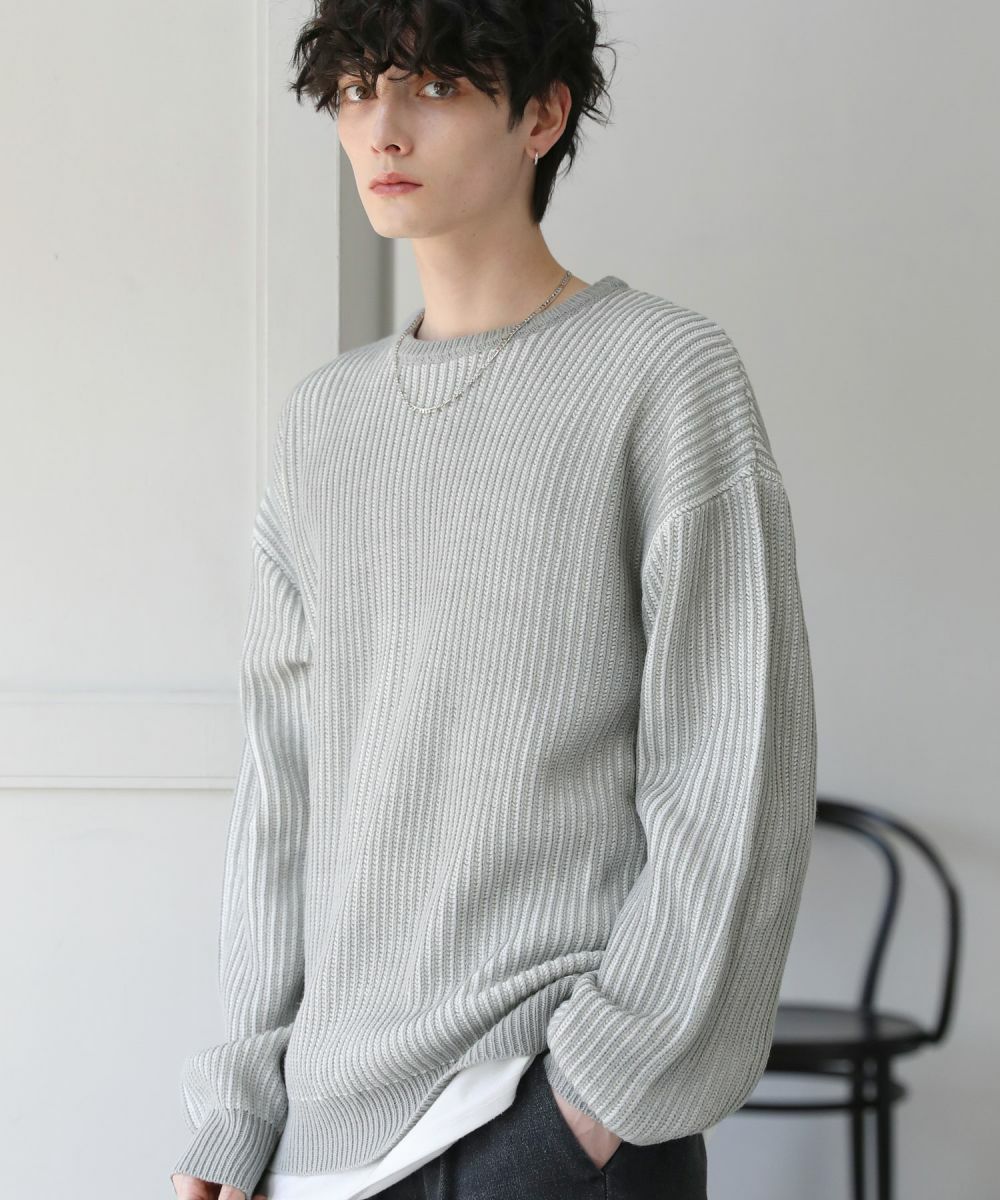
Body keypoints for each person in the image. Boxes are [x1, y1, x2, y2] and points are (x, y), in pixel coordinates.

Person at [170, 1, 818, 1198]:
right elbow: (281, 795)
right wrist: (238, 1105)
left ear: (542, 114)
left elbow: (734, 771)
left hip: (543, 1122)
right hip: (324, 1148)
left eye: (433, 86)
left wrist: (592, 1106)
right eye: (355, 90)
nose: (382, 127)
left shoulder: (662, 375)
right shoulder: (322, 423)